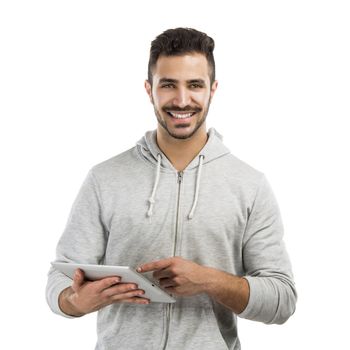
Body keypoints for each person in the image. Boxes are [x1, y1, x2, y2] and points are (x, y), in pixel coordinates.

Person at [46, 27, 297, 350]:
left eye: (194, 85)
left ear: (212, 89)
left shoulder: (249, 185)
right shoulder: (104, 178)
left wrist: (208, 280)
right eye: (168, 85)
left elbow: (282, 301)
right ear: (149, 90)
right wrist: (76, 301)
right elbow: (60, 281)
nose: (182, 100)